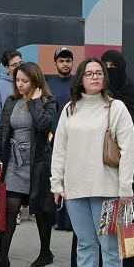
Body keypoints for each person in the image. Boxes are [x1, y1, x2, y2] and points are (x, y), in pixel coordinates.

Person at [52, 58, 134, 267]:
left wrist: (125, 186)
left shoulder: (116, 107)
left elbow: (128, 149)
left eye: (99, 73)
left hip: (107, 187)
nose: (95, 77)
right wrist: (56, 183)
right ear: (80, 78)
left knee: (109, 245)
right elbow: (60, 148)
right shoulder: (70, 109)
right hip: (75, 188)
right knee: (84, 242)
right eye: (89, 74)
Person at [70, 50, 134, 267]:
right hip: (90, 170)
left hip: (127, 165)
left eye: (113, 66)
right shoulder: (80, 105)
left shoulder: (131, 97)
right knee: (88, 229)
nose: (109, 70)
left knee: (120, 223)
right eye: (106, 66)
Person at [0, 61, 60, 267]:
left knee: (40, 209)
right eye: (17, 80)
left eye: (24, 81)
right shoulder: (11, 101)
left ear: (35, 81)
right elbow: (1, 131)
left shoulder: (48, 101)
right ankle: (3, 258)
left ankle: (45, 252)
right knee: (10, 208)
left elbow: (44, 125)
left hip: (38, 161)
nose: (19, 84)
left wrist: (35, 102)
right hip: (14, 161)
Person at [47, 47, 77, 231]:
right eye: (61, 60)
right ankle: (59, 219)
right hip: (54, 140)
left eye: (68, 60)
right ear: (55, 63)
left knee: (73, 178)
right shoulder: (48, 85)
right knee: (58, 177)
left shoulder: (78, 84)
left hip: (76, 138)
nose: (65, 64)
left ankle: (72, 220)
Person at [0, 49, 21, 134]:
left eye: (20, 63)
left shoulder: (30, 82)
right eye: (15, 65)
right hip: (7, 135)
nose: (19, 67)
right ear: (7, 68)